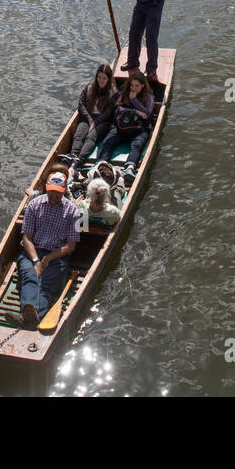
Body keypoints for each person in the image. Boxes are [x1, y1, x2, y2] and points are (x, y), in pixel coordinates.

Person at [15, 171, 80, 328]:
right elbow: (27, 238)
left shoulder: (73, 211)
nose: (54, 195)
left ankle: (29, 315)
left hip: (56, 255)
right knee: (30, 276)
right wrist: (37, 260)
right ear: (46, 188)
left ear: (64, 191)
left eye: (58, 192)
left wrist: (48, 259)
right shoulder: (34, 205)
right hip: (33, 252)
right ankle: (34, 314)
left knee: (47, 283)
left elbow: (71, 246)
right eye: (51, 191)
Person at [103, 0, 166, 84]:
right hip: (142, 1)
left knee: (150, 37)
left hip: (155, 1)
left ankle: (151, 69)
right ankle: (132, 62)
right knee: (134, 32)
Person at [95, 70, 156, 179]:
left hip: (139, 129)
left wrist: (134, 101)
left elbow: (147, 114)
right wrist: (136, 111)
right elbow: (119, 108)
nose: (133, 88)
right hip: (122, 127)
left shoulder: (148, 98)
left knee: (137, 144)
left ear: (142, 85)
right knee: (108, 141)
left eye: (137, 86)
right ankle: (99, 164)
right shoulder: (125, 94)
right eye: (132, 85)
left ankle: (129, 167)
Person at [61, 64, 116, 169]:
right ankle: (73, 155)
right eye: (99, 77)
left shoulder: (112, 92)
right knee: (79, 134)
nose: (101, 80)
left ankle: (79, 160)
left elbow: (109, 113)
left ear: (109, 79)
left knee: (91, 136)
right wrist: (90, 120)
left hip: (103, 121)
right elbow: (81, 105)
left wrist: (95, 122)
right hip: (88, 117)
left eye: (104, 78)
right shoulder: (89, 87)